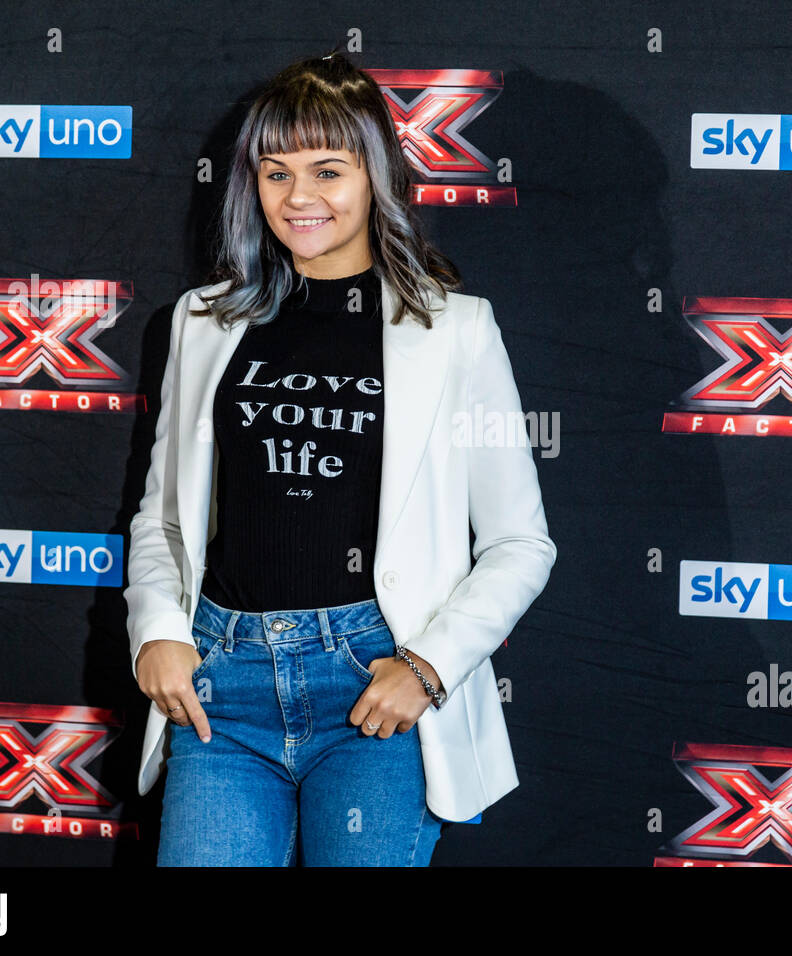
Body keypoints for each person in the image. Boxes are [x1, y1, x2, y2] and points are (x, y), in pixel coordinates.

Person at [123, 51, 556, 866]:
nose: (300, 198)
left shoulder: (456, 333)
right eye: (275, 172)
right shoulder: (203, 323)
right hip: (222, 693)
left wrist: (428, 666)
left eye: (328, 169)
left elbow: (519, 544)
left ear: (377, 175)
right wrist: (156, 631)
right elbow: (164, 519)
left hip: (372, 694)